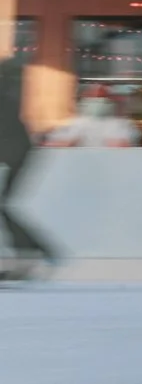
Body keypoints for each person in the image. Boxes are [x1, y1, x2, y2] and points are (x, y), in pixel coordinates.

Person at [0, 55, 59, 279]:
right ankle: (36, 250)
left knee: (5, 205)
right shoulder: (12, 91)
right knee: (5, 205)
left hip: (14, 151)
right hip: (16, 150)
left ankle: (35, 250)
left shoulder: (7, 94)